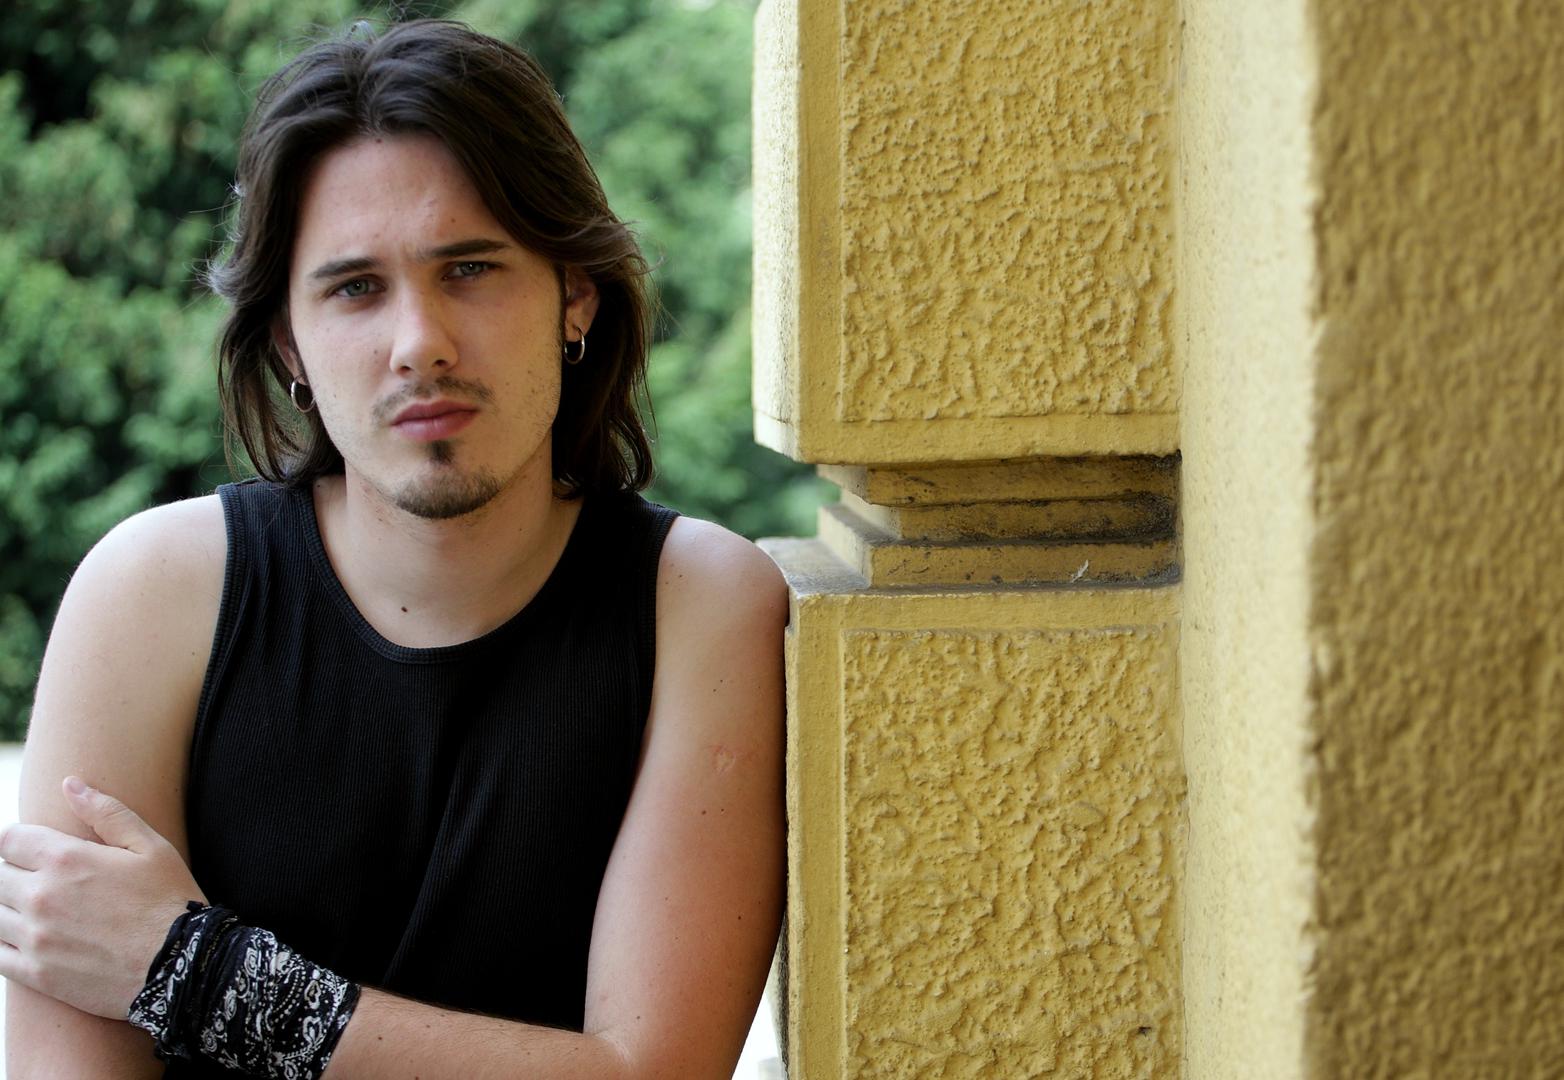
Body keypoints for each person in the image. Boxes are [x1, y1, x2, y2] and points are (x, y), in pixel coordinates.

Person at [0, 18, 786, 1079]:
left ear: (575, 296)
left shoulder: (696, 604)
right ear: (289, 341)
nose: (420, 343)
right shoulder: (152, 597)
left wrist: (206, 978)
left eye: (470, 268)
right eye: (355, 287)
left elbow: (652, 1072)